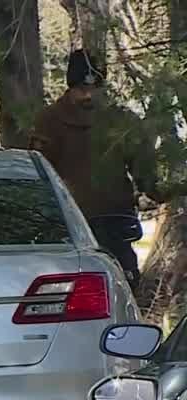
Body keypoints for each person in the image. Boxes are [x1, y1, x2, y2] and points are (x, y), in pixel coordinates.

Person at [27, 49, 164, 286]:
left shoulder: (122, 119)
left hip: (116, 218)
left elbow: (144, 170)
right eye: (81, 89)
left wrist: (162, 190)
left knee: (124, 282)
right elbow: (40, 173)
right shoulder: (49, 121)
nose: (88, 95)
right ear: (70, 87)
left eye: (94, 88)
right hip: (69, 222)